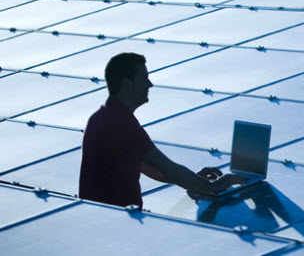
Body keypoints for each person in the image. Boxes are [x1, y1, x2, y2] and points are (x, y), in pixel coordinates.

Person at [79, 52, 244, 208]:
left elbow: (149, 167)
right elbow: (165, 166)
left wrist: (194, 180)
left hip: (104, 218)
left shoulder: (102, 117)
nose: (150, 84)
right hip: (117, 223)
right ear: (127, 84)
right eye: (144, 79)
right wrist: (214, 186)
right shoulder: (120, 123)